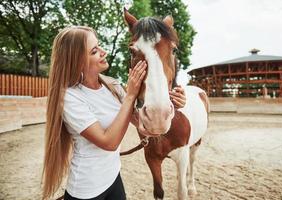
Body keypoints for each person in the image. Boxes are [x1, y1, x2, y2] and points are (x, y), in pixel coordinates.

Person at [42, 26, 186, 200]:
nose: (103, 52)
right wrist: (131, 94)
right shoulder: (70, 97)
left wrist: (173, 106)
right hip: (87, 188)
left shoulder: (112, 86)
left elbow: (145, 127)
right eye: (94, 51)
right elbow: (108, 142)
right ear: (77, 60)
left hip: (113, 177)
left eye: (99, 46)